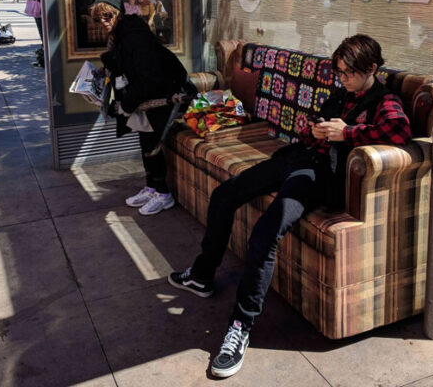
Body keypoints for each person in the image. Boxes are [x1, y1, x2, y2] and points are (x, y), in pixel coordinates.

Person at [169, 33, 412, 378]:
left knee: (266, 231)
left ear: (372, 68)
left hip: (319, 178)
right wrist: (316, 130)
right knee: (226, 195)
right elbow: (314, 132)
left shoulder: (383, 100)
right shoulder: (341, 93)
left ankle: (240, 326)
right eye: (339, 72)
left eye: (349, 73)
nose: (342, 79)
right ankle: (203, 274)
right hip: (298, 159)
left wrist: (348, 134)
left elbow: (400, 132)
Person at [93, 0, 195, 216]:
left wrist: (126, 105)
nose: (103, 21)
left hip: (165, 91)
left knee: (152, 143)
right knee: (145, 140)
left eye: (107, 15)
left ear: (118, 13)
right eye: (98, 18)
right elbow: (125, 65)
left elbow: (148, 78)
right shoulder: (121, 35)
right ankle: (152, 188)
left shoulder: (134, 36)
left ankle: (163, 195)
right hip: (149, 94)